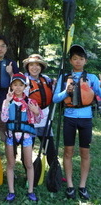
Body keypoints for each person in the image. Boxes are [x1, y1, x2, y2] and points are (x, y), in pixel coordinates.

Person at [53, 45, 101, 200]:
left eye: (81, 58)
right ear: (70, 61)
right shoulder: (64, 77)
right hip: (69, 118)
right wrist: (66, 91)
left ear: (85, 61)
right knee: (68, 151)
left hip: (86, 119)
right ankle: (70, 186)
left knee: (84, 153)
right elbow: (55, 98)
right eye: (75, 58)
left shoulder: (91, 78)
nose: (78, 61)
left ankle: (82, 185)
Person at [1, 73, 42, 202]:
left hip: (26, 136)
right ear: (11, 86)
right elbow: (4, 118)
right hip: (11, 135)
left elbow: (38, 119)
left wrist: (36, 112)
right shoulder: (8, 100)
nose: (18, 87)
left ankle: (30, 190)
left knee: (28, 163)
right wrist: (7, 102)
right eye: (15, 85)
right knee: (11, 164)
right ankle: (11, 191)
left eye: (20, 85)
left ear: (25, 86)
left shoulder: (30, 102)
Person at [23, 54, 56, 167]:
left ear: (41, 67)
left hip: (45, 117)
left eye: (37, 65)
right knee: (27, 150)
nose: (34, 67)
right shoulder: (24, 80)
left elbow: (53, 94)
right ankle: (29, 173)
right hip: (29, 119)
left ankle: (54, 170)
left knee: (50, 147)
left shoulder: (46, 79)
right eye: (31, 65)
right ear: (28, 67)